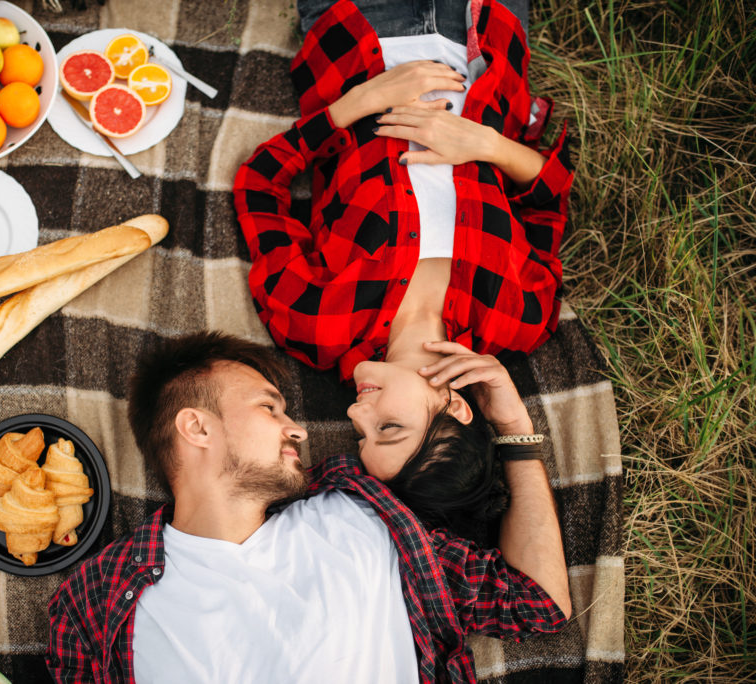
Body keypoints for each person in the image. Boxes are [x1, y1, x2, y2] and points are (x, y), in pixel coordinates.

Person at [47, 331, 570, 683]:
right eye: (269, 408)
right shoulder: (92, 601)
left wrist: (514, 430)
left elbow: (539, 602)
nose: (297, 428)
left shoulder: (365, 515)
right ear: (197, 427)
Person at [233, 0, 574, 533]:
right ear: (456, 406)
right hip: (486, 31)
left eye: (361, 438)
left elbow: (259, 182)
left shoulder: (314, 324)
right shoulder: (519, 320)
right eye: (388, 427)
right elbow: (548, 200)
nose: (355, 416)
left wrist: (357, 104)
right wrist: (485, 144)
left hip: (355, 32)